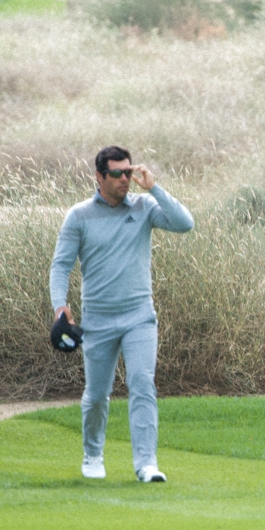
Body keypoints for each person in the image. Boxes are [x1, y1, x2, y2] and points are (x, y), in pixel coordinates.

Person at [51, 147, 195, 482]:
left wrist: (154, 187)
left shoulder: (144, 207)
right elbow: (60, 266)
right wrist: (61, 306)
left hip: (139, 317)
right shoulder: (79, 216)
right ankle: (92, 454)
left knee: (142, 384)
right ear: (99, 177)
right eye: (116, 174)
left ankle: (146, 464)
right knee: (98, 395)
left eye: (128, 172)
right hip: (98, 321)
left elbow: (184, 223)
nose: (124, 180)